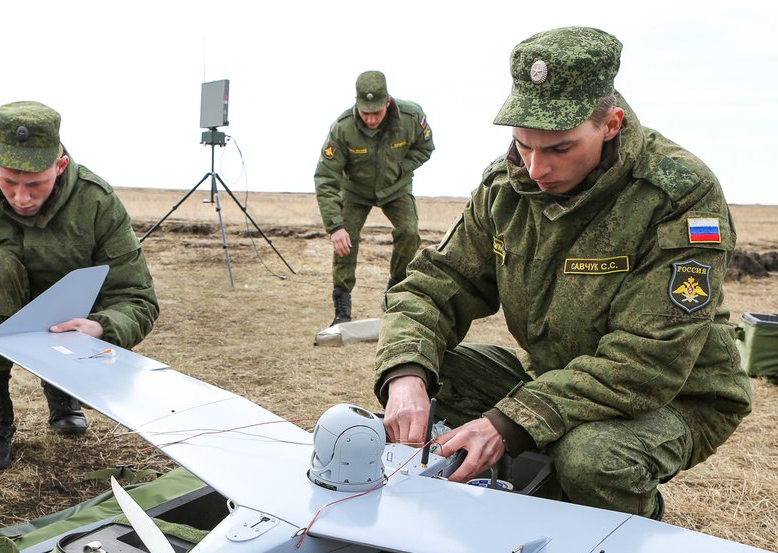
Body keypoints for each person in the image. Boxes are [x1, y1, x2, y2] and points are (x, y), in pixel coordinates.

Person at [375, 27, 751, 519]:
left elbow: (646, 363)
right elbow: (435, 286)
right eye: (523, 145)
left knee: (593, 459)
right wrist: (406, 375)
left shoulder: (676, 194)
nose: (535, 169)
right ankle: (524, 495)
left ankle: (621, 550)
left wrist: (510, 422)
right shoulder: (505, 188)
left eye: (559, 149)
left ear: (611, 124)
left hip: (677, 397)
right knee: (430, 373)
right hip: (557, 376)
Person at [0, 101, 158, 471]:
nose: (21, 198)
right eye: (8, 181)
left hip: (64, 325)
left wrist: (101, 327)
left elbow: (136, 296)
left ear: (60, 165)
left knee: (71, 283)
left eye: (35, 184)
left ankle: (63, 392)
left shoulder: (96, 202)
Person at [314, 70, 434, 326]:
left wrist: (401, 169)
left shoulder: (412, 117)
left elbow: (425, 148)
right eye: (365, 112)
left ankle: (394, 287)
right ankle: (342, 309)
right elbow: (326, 177)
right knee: (346, 241)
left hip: (396, 189)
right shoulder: (343, 127)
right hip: (356, 191)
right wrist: (335, 226)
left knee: (409, 232)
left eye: (376, 113)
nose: (370, 119)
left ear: (387, 102)